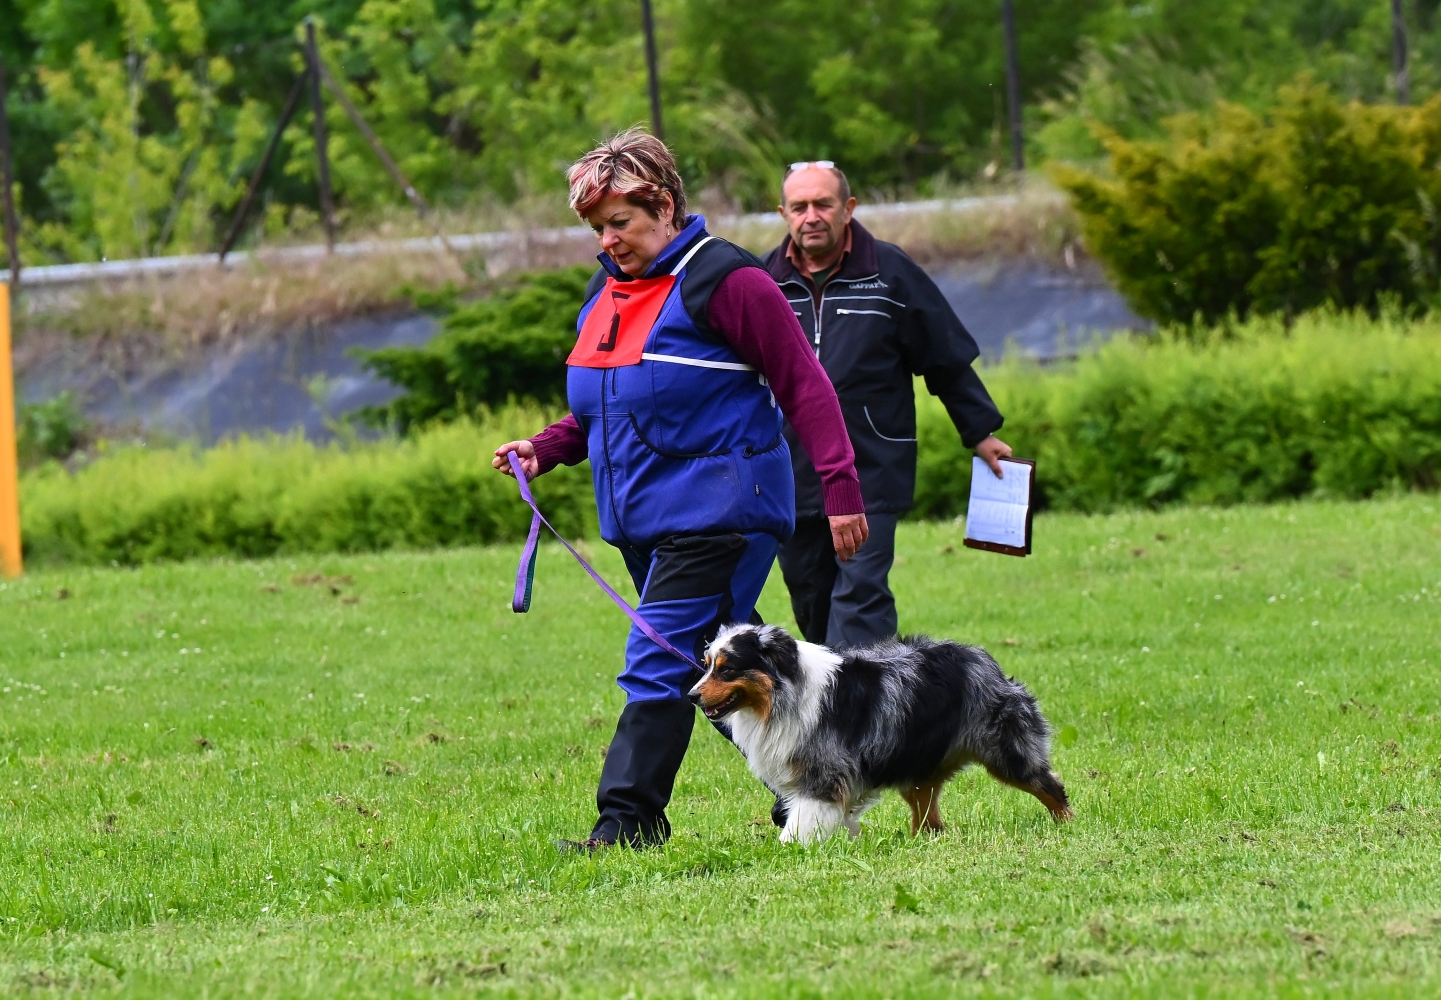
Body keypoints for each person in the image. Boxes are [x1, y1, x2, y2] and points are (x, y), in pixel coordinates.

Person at [493, 129, 867, 852]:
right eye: (596, 227)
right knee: (730, 667)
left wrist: (841, 487)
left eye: (620, 222)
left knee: (657, 662)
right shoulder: (606, 293)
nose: (607, 240)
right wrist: (544, 449)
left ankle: (628, 823)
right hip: (646, 522)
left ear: (663, 204)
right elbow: (602, 409)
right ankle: (823, 787)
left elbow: (803, 384)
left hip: (720, 511)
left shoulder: (725, 281)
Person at [764, 161, 1013, 650]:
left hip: (870, 464)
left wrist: (980, 432)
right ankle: (834, 702)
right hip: (788, 469)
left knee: (861, 591)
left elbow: (944, 358)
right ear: (783, 213)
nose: (811, 216)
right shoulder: (762, 282)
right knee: (811, 595)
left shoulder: (891, 274)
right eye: (799, 207)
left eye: (823, 204)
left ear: (848, 208)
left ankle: (867, 704)